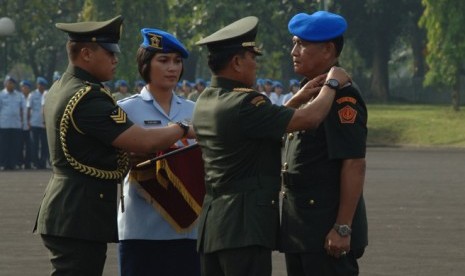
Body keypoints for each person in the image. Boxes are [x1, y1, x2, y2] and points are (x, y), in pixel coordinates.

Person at [33, 15, 194, 276]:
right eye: (109, 53)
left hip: (71, 211)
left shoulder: (63, 87)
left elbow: (89, 150)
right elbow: (145, 140)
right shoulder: (88, 97)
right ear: (86, 53)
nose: (115, 59)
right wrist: (184, 128)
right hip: (79, 214)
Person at [192, 16, 351, 276]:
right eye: (252, 57)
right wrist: (332, 83)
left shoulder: (206, 100)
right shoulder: (247, 103)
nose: (256, 64)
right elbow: (310, 119)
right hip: (245, 229)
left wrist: (298, 97)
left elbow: (254, 130)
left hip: (213, 227)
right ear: (236, 62)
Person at [280, 11, 368, 276]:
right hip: (301, 230)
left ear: (328, 50)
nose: (294, 51)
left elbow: (353, 163)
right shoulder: (310, 92)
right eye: (294, 43)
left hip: (325, 230)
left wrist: (343, 227)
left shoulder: (342, 98)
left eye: (303, 44)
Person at [117, 28, 201, 276]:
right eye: (163, 60)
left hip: (188, 228)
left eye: (177, 61)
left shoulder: (195, 110)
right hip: (140, 228)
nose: (172, 68)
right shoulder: (126, 110)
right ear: (145, 64)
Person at [0, 75, 24, 170]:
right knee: (4, 145)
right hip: (4, 124)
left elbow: (22, 110)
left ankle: (13, 164)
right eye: (9, 83)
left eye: (12, 83)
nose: (11, 85)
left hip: (16, 124)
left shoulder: (19, 95)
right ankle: (4, 164)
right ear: (5, 84)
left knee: (15, 145)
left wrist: (22, 122)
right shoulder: (1, 95)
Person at [28, 77, 49, 169]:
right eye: (40, 84)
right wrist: (28, 121)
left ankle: (43, 162)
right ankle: (35, 163)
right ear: (37, 85)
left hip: (45, 124)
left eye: (43, 85)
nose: (41, 86)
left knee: (44, 145)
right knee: (35, 145)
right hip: (35, 123)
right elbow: (28, 109)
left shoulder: (47, 94)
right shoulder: (32, 95)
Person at [19, 80, 33, 169]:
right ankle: (20, 162)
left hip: (30, 126)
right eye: (23, 87)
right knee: (20, 146)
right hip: (20, 126)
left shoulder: (31, 97)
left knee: (29, 146)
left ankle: (28, 163)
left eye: (27, 87)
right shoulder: (18, 97)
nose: (25, 89)